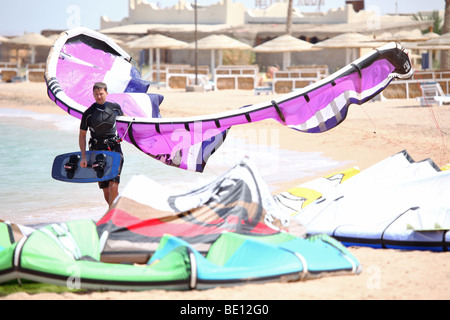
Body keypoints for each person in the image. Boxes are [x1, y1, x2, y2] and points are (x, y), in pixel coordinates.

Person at [79, 82, 124, 207]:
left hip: (114, 149)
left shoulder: (115, 108)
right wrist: (83, 156)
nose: (99, 96)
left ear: (107, 93)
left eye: (101, 94)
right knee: (106, 189)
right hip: (96, 152)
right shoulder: (88, 113)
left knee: (113, 184)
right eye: (96, 94)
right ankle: (115, 212)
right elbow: (82, 135)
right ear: (93, 94)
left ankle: (112, 216)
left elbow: (127, 124)